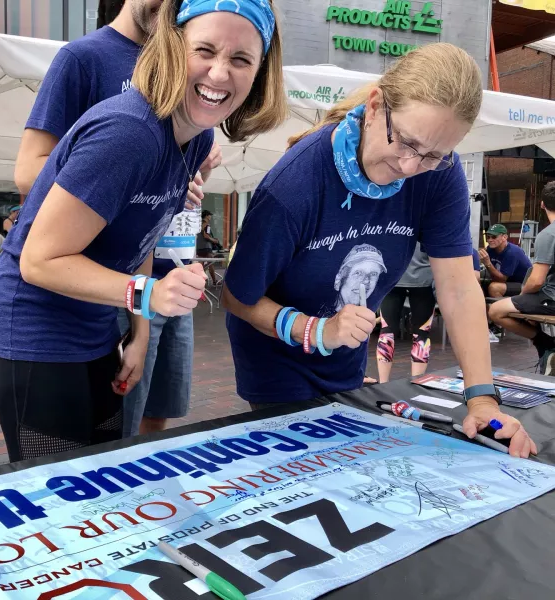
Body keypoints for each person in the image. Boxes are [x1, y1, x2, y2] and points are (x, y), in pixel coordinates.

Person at [0, 0, 287, 461]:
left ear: (260, 72)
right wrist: (147, 295)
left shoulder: (196, 136)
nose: (220, 74)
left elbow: (141, 236)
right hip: (33, 330)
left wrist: (140, 333)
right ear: (172, 45)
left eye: (240, 59)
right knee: (58, 498)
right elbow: (39, 260)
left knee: (98, 475)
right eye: (204, 50)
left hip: (97, 328)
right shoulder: (129, 132)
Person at [223, 43, 536, 458]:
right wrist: (315, 331)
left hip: (345, 354)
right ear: (374, 107)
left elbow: (459, 289)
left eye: (432, 155)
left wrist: (481, 399)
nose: (410, 166)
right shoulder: (296, 183)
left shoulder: (440, 175)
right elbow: (235, 295)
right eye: (406, 142)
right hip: (276, 356)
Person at [13, 0, 222, 440]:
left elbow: (152, 204)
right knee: (93, 446)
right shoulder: (85, 57)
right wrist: (128, 182)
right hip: (88, 286)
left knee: (150, 426)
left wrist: (182, 171)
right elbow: (29, 172)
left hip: (165, 271)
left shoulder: (198, 65)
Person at [489, 181, 555, 368]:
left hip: (551, 298)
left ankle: (545, 343)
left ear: (542, 204)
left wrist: (523, 294)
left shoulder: (548, 235)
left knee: (496, 310)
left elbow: (536, 281)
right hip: (548, 297)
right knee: (523, 306)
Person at [376, 242, 436, 382]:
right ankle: (412, 382)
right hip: (409, 278)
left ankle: (386, 383)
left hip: (410, 279)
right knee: (418, 334)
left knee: (389, 332)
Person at [479, 224, 532, 298]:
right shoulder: (490, 249)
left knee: (494, 288)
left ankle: (503, 308)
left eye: (494, 237)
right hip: (509, 282)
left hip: (524, 284)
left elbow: (502, 279)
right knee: (478, 283)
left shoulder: (512, 252)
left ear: (504, 237)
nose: (489, 240)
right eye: (488, 237)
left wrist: (488, 263)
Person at [197, 209, 222, 285]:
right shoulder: (207, 225)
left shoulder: (198, 224)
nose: (210, 217)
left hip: (199, 248)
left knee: (201, 267)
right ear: (207, 216)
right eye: (210, 215)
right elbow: (206, 236)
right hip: (207, 248)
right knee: (210, 264)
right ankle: (214, 281)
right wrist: (215, 241)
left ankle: (200, 282)